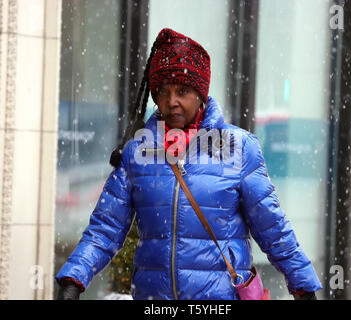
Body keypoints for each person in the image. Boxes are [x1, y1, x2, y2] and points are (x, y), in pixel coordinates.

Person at [56, 28, 322, 300]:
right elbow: (105, 228)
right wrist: (73, 279)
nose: (172, 102)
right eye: (163, 91)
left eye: (182, 91)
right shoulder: (137, 151)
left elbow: (272, 228)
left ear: (201, 94)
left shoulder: (239, 148)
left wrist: (303, 285)